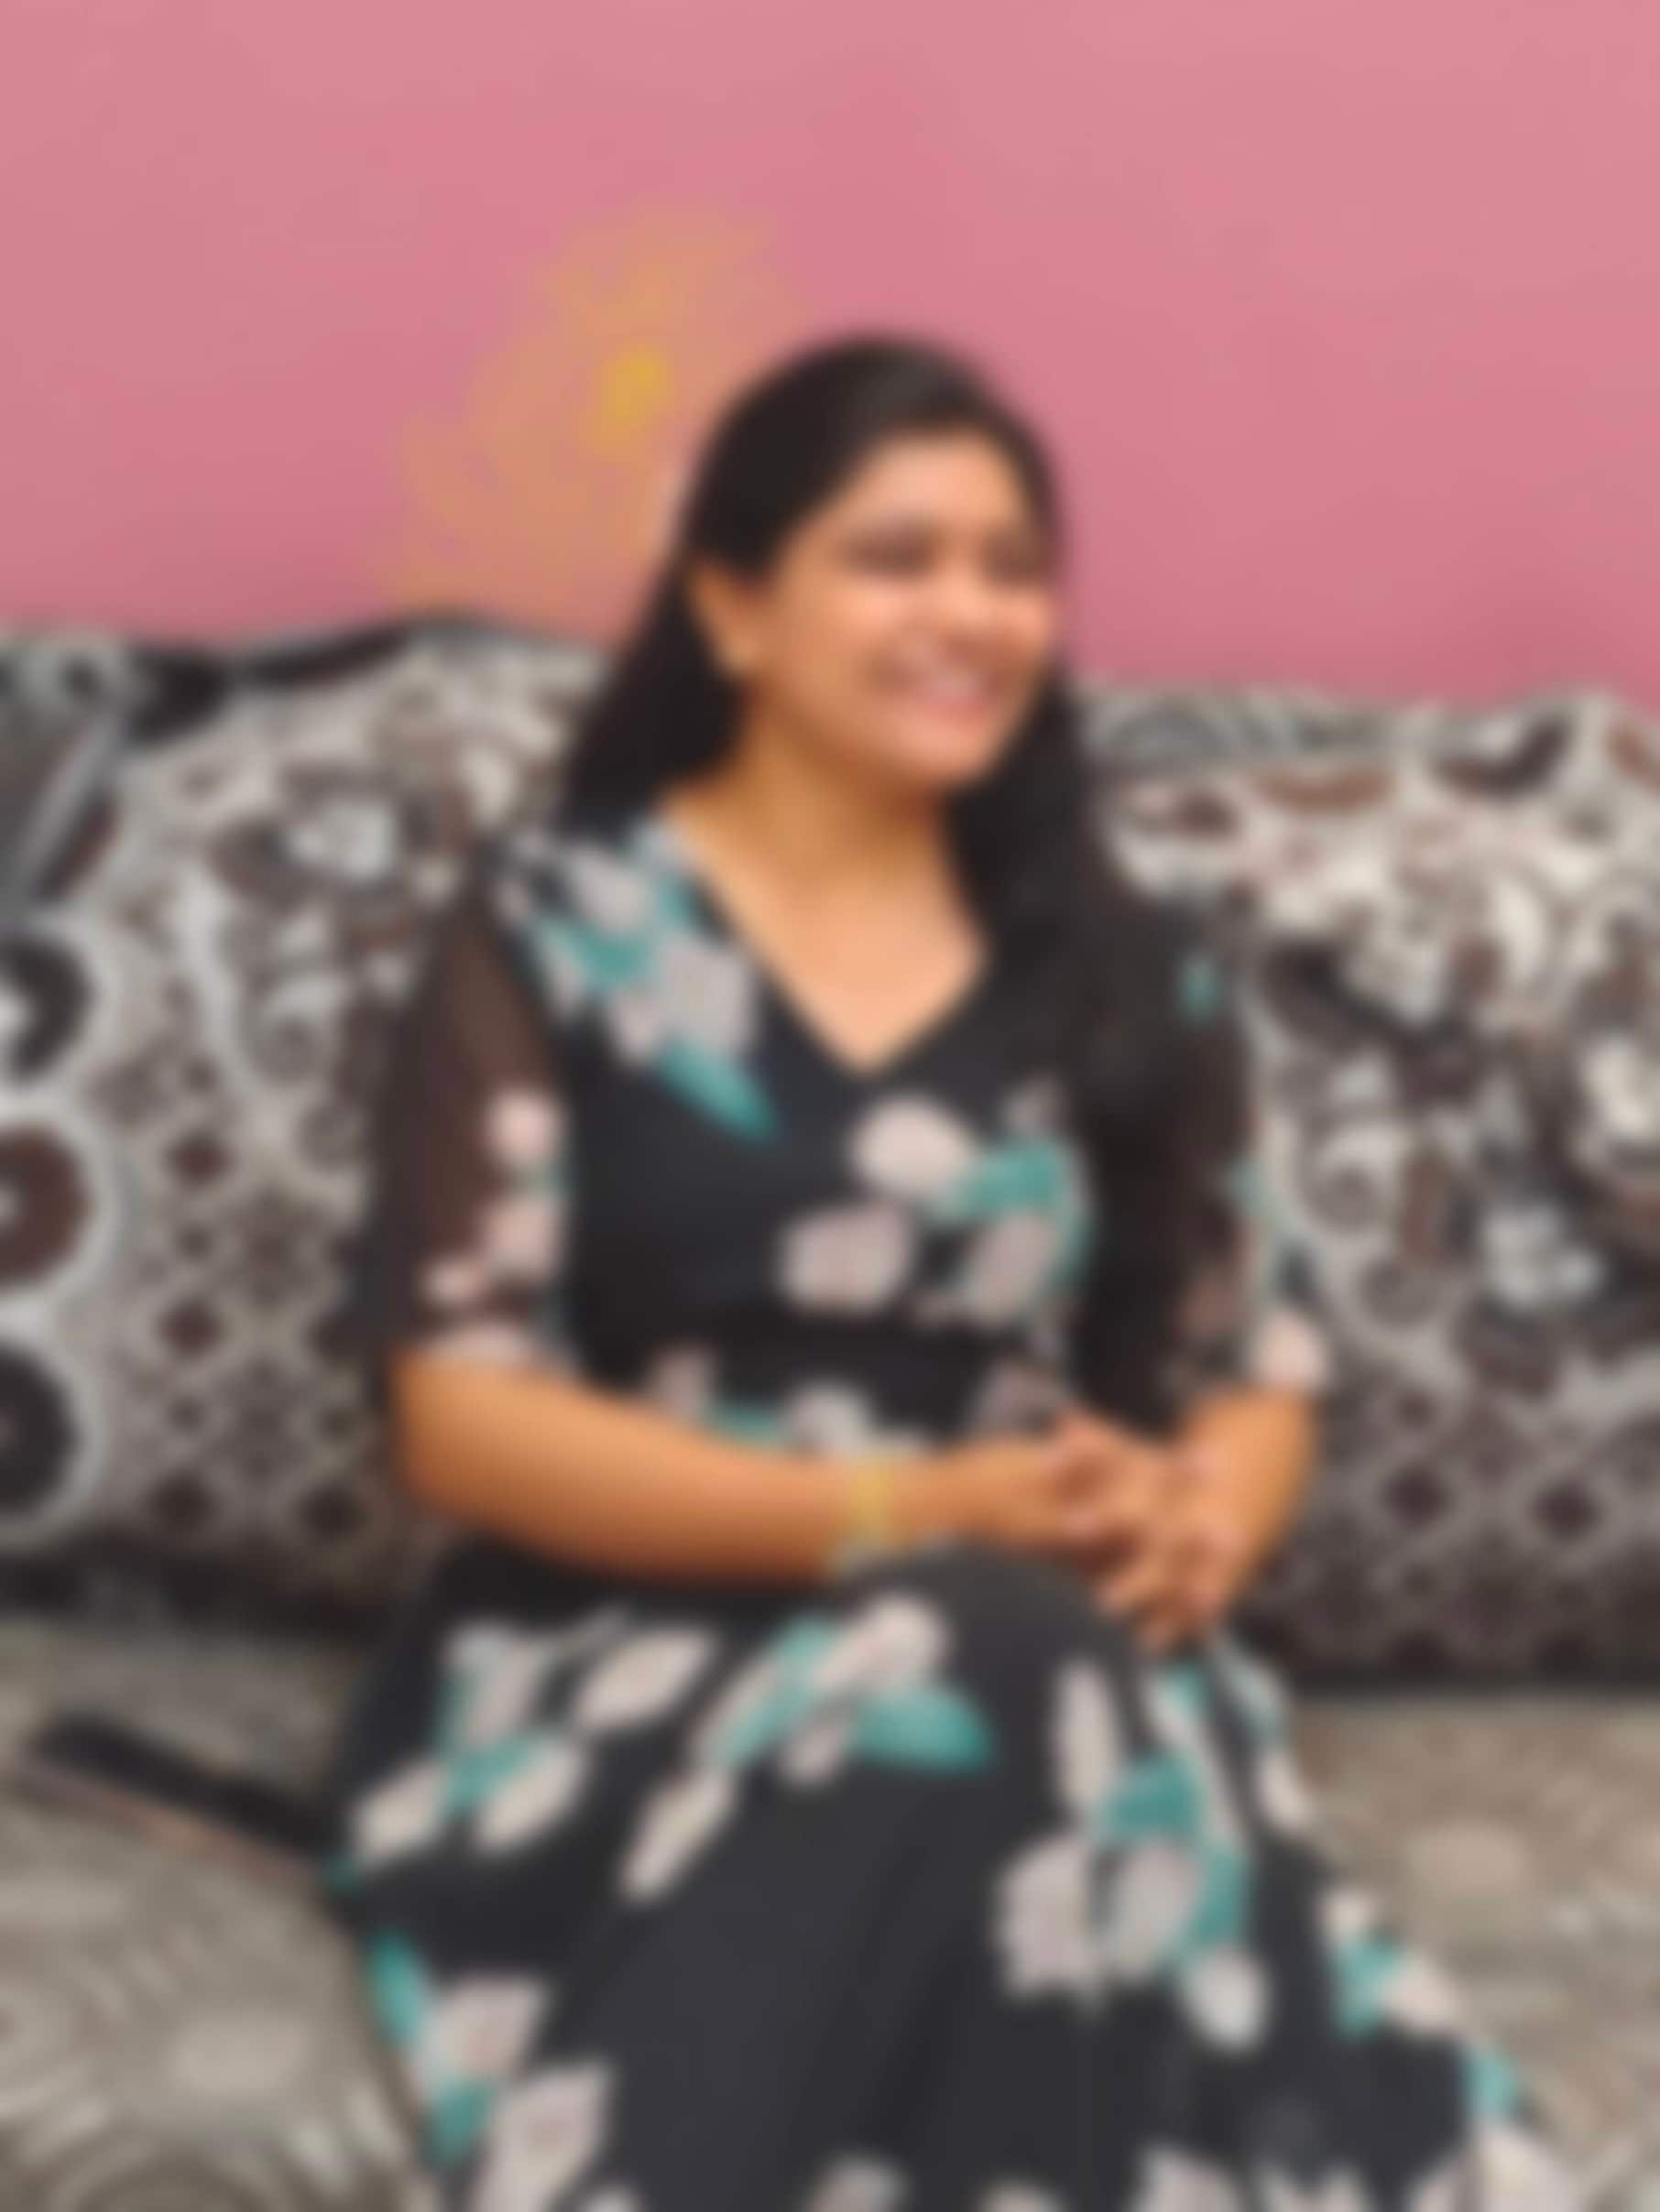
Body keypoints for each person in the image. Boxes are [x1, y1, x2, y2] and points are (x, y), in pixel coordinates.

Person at [320, 338, 1572, 2211]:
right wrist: (899, 1517)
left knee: (1019, 1660)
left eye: (1013, 567)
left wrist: (1191, 1535)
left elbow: (1253, 1365)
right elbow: (460, 1417)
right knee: (997, 1667)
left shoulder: (1116, 955)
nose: (971, 614)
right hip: (636, 1634)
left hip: (1046, 1617)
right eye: (895, 558)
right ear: (733, 607)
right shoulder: (561, 923)